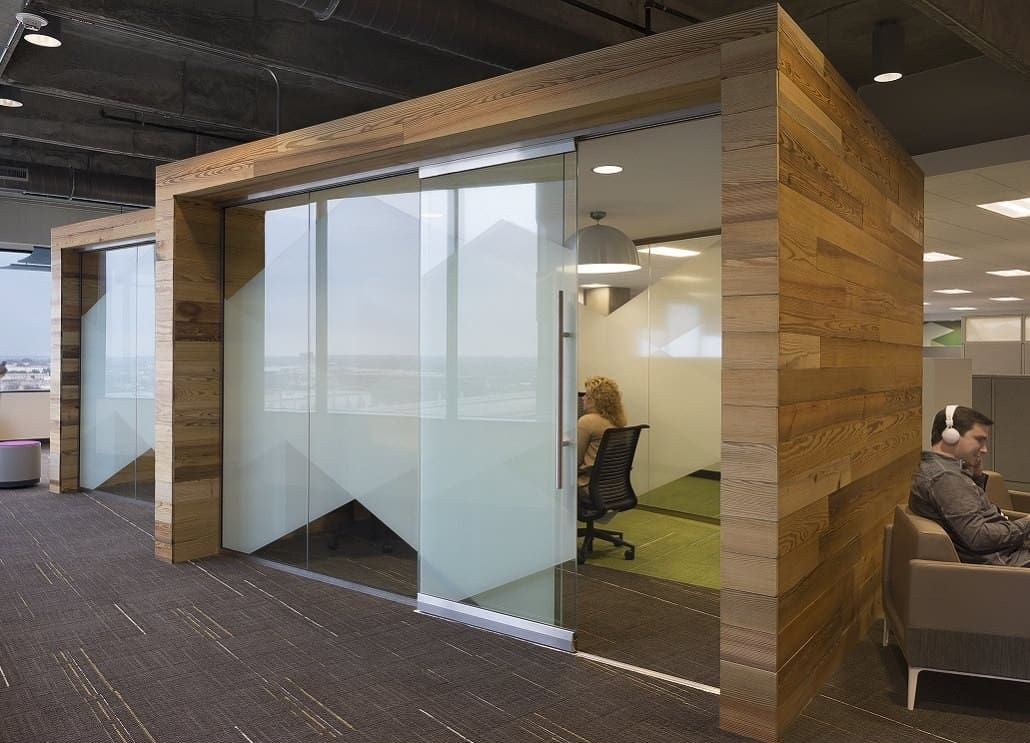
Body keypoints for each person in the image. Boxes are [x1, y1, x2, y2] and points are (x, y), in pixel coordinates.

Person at [909, 404, 1030, 566]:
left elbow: (976, 514)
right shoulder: (946, 478)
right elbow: (978, 536)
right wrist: (1026, 525)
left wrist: (976, 475)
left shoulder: (943, 470)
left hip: (1007, 551)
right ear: (950, 436)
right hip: (1007, 562)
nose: (985, 449)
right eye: (979, 440)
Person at [577, 375, 626, 502]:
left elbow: (574, 460)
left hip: (588, 486)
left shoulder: (587, 421)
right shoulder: (617, 421)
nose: (582, 398)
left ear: (596, 400)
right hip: (614, 486)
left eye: (587, 395)